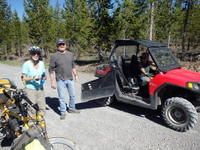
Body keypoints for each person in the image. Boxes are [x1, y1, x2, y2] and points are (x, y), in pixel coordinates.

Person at [49, 38, 80, 120]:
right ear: (57, 46)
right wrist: (52, 81)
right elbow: (51, 69)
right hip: (60, 80)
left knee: (72, 95)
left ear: (65, 45)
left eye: (63, 44)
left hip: (70, 79)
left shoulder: (70, 54)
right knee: (62, 97)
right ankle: (63, 112)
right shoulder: (54, 56)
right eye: (60, 44)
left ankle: (71, 108)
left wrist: (76, 76)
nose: (62, 45)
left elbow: (73, 66)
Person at [21, 46, 47, 115]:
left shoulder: (41, 63)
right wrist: (33, 78)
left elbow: (44, 75)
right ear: (30, 54)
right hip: (30, 89)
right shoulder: (26, 64)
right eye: (33, 53)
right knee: (31, 107)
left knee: (42, 106)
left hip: (40, 88)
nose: (36, 55)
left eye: (37, 53)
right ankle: (31, 124)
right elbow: (23, 78)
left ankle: (40, 121)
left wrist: (44, 77)